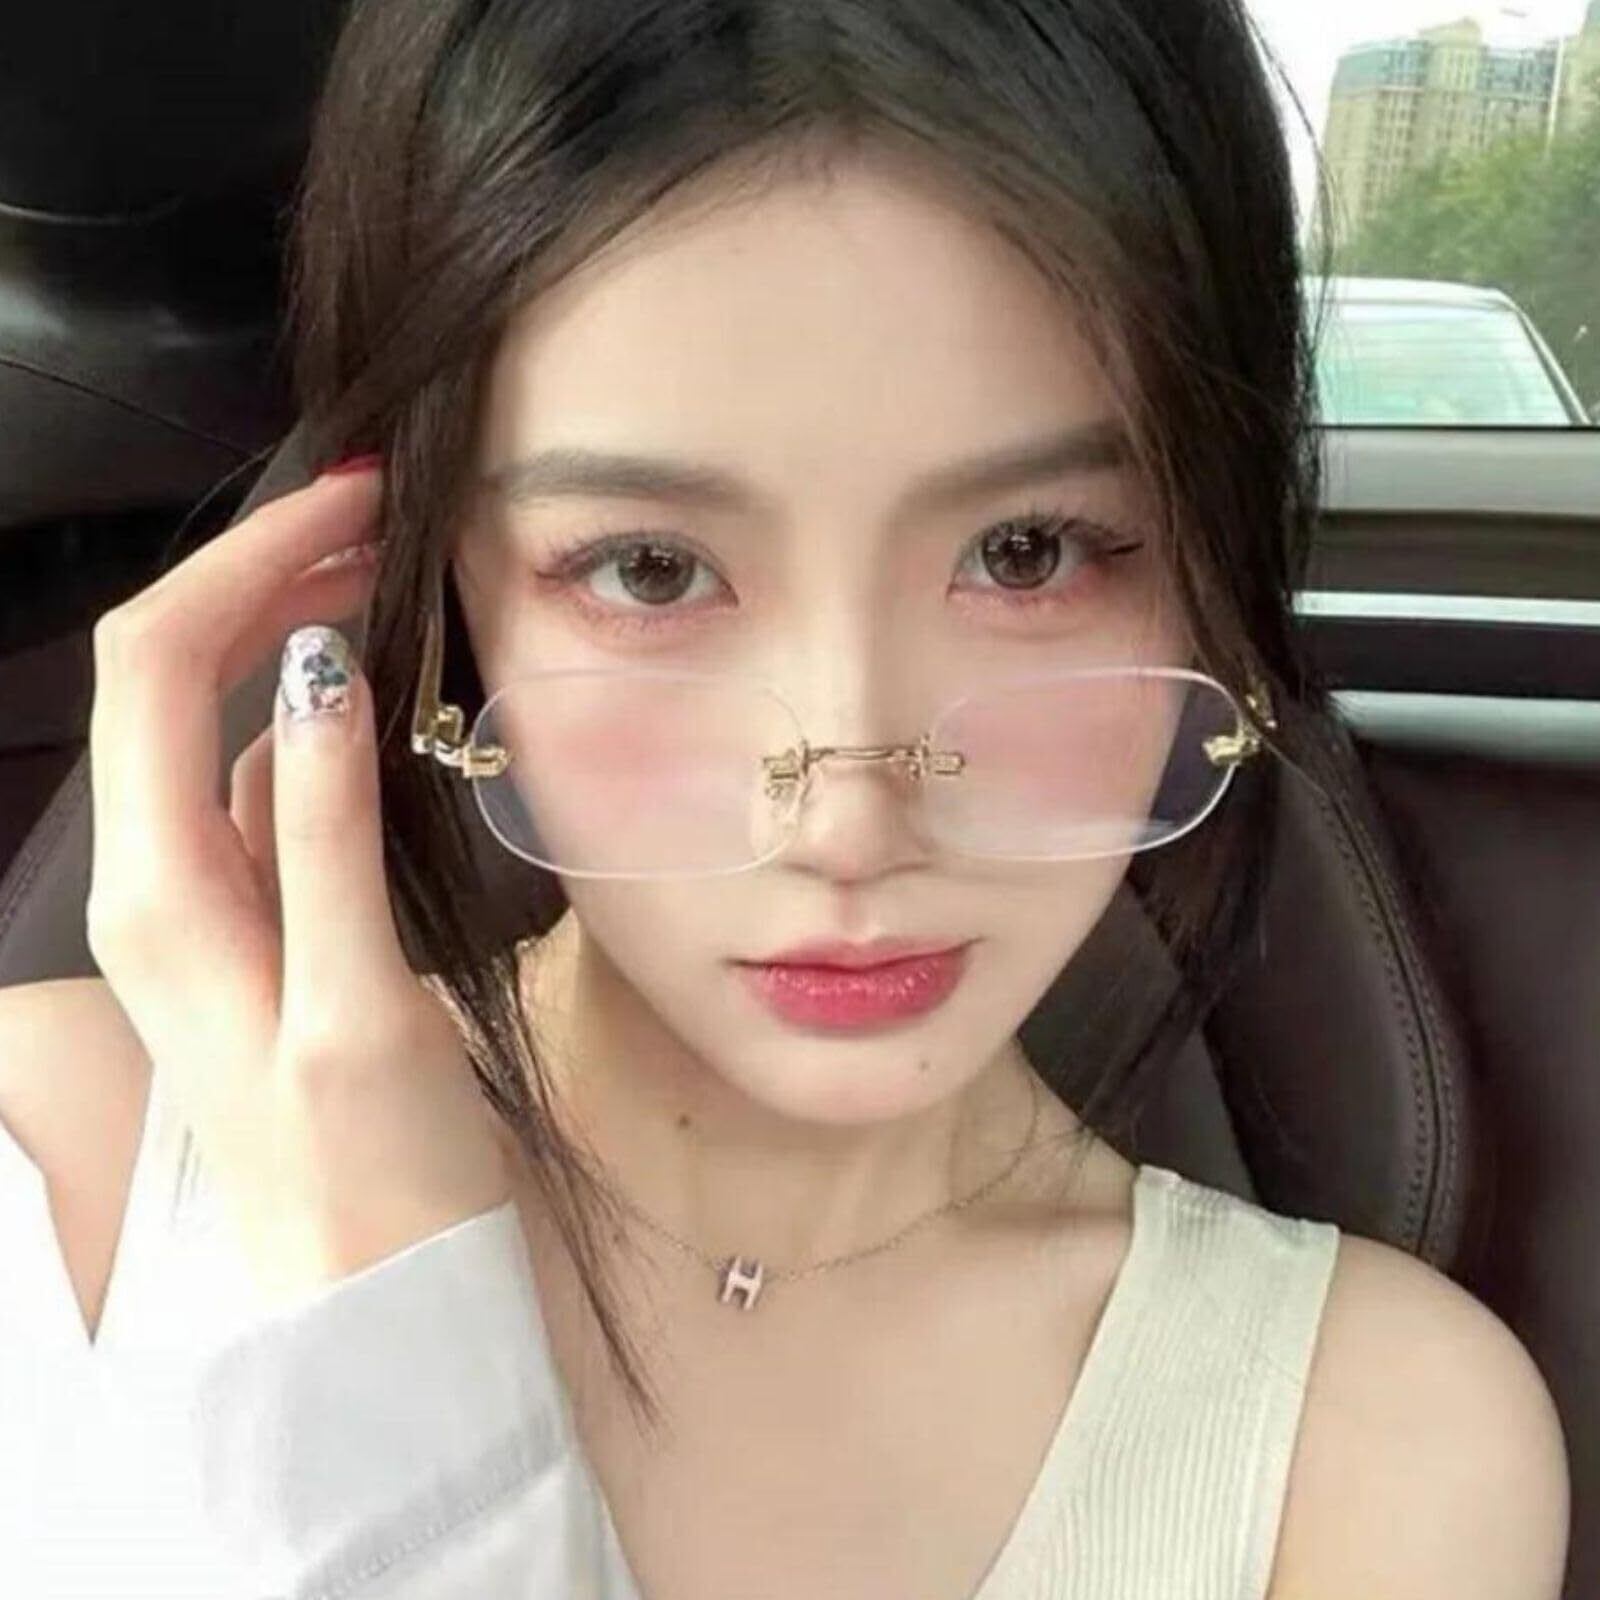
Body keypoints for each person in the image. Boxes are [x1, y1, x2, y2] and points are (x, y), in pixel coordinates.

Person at [0, 0, 1570, 1596]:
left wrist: (401, 1381)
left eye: (1026, 553)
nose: (850, 822)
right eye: (651, 570)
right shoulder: (54, 1180)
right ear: (431, 579)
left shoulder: (1375, 1452)